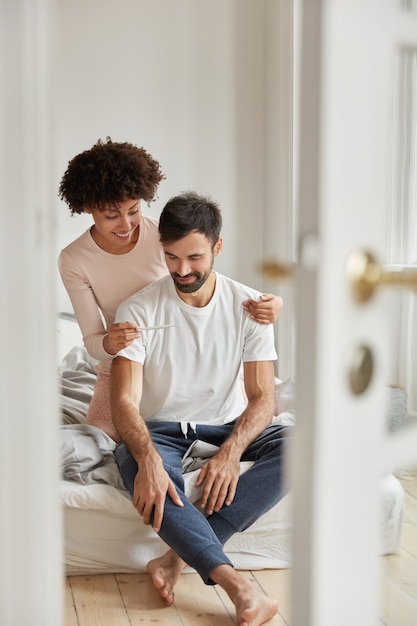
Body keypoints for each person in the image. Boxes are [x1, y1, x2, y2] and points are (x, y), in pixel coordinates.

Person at [111, 191, 290, 626]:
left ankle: (175, 557)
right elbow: (122, 400)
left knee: (301, 446)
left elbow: (263, 397)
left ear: (217, 246)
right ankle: (237, 587)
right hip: (163, 429)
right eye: (171, 257)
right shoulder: (138, 308)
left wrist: (231, 454)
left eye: (194, 257)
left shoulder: (250, 308)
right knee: (133, 461)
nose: (182, 270)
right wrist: (149, 457)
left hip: (226, 425)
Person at [58, 138, 283, 442]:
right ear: (87, 208)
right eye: (112, 215)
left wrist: (270, 302)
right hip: (124, 361)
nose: (126, 225)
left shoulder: (162, 235)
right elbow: (92, 342)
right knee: (101, 442)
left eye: (134, 210)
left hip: (185, 353)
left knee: (255, 419)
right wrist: (112, 342)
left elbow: (202, 277)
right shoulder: (74, 259)